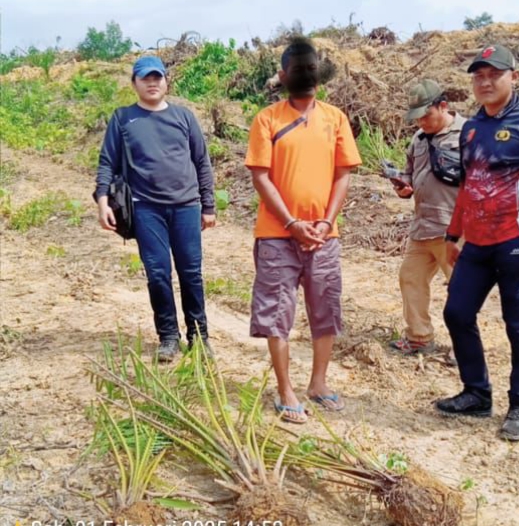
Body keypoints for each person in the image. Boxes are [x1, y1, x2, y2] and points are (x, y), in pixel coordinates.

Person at [435, 44, 519, 441]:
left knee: (518, 321)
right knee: (456, 312)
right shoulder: (471, 128)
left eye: (494, 74)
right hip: (479, 243)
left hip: (518, 240)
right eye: (478, 75)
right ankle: (476, 393)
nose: (485, 81)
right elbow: (469, 187)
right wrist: (454, 235)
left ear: (514, 77)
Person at [245, 37, 361, 424]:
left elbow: (343, 174)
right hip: (277, 236)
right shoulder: (267, 119)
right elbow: (261, 178)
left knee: (324, 309)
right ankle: (285, 389)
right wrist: (292, 224)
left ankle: (318, 382)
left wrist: (326, 222)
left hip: (324, 237)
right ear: (283, 75)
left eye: (311, 67)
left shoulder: (335, 118)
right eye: (297, 68)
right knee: (278, 313)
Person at [95, 55, 216, 362]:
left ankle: (199, 337)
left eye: (157, 77)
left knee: (191, 273)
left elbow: (201, 161)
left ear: (166, 81)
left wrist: (209, 205)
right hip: (145, 208)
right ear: (134, 83)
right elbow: (107, 162)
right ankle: (168, 337)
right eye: (145, 78)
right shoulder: (123, 119)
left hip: (186, 206)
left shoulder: (184, 117)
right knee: (158, 273)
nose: (152, 83)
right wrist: (102, 201)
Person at [388, 79, 465, 362]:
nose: (421, 122)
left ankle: (464, 346)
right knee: (410, 278)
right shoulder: (418, 139)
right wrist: (403, 186)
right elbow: (410, 172)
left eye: (426, 115)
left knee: (460, 288)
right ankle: (419, 337)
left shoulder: (467, 134)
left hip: (454, 230)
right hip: (422, 228)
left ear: (443, 106)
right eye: (417, 117)